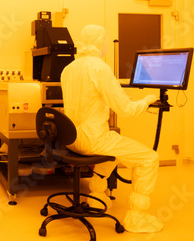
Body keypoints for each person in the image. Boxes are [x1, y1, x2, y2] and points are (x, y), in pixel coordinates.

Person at [60, 25, 163, 233]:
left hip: (72, 140)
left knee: (114, 147)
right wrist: (146, 101)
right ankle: (137, 219)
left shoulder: (68, 68)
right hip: (92, 140)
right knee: (149, 158)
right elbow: (125, 110)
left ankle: (97, 197)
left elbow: (90, 99)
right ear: (101, 42)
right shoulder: (100, 68)